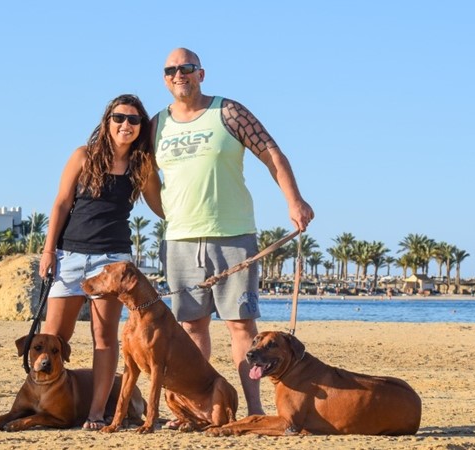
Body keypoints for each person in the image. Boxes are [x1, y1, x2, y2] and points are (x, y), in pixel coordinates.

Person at [152, 48, 314, 419]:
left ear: (201, 74)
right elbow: (146, 177)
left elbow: (272, 152)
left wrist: (295, 201)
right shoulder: (156, 124)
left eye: (187, 68)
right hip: (179, 239)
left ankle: (254, 410)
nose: (180, 75)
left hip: (232, 235)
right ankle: (194, 408)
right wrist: (166, 213)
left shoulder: (228, 112)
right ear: (165, 78)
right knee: (191, 327)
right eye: (171, 70)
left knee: (241, 325)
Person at [38, 94, 162, 430]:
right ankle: (46, 403)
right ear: (107, 121)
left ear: (141, 128)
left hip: (111, 262)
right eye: (119, 118)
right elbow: (61, 204)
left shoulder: (142, 166)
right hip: (69, 255)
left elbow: (162, 207)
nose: (126, 125)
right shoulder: (83, 156)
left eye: (134, 120)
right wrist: (48, 250)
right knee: (52, 338)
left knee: (104, 339)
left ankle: (95, 413)